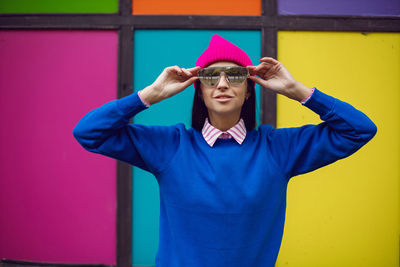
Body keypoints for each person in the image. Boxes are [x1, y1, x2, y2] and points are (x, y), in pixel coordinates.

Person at [72, 34, 377, 267]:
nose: (221, 84)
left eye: (234, 76)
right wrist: (150, 95)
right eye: (209, 76)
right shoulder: (171, 146)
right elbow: (88, 132)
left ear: (248, 90)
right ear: (199, 89)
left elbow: (359, 129)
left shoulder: (277, 149)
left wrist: (296, 90)